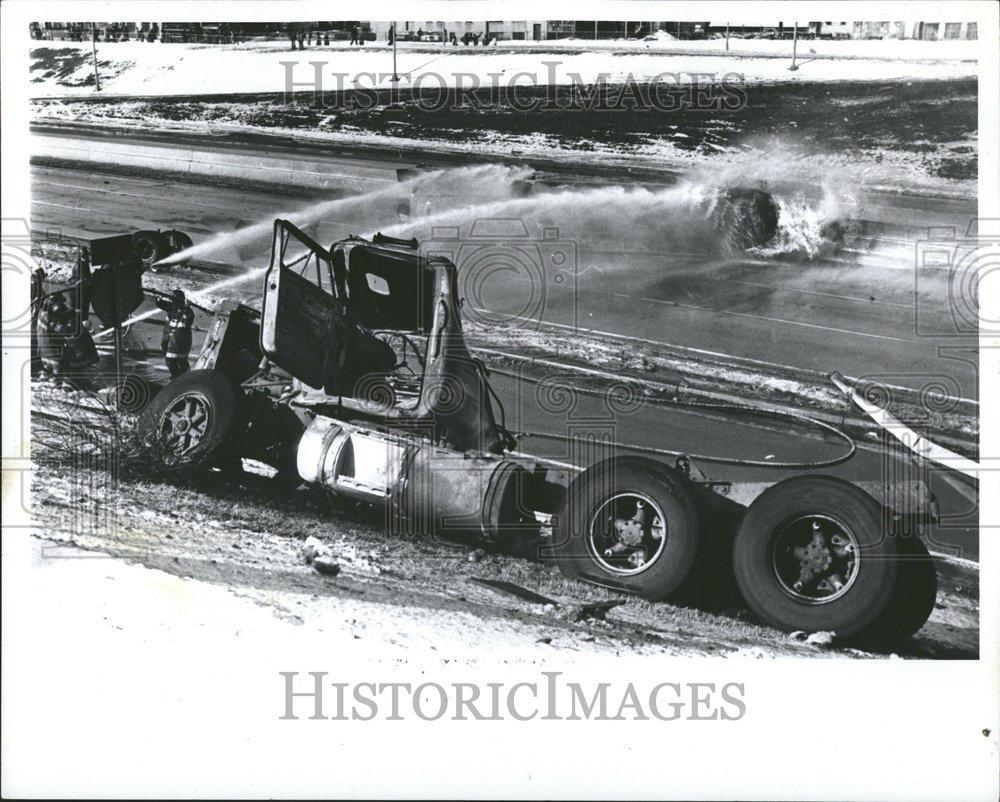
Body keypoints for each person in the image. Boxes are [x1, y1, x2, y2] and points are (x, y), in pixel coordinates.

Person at [156, 289, 195, 378]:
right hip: (169, 339)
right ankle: (179, 378)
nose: (171, 302)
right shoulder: (172, 307)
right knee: (173, 361)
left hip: (180, 341)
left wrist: (187, 307)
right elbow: (159, 303)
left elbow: (188, 319)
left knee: (177, 361)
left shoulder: (186, 311)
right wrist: (161, 297)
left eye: (173, 299)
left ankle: (181, 379)